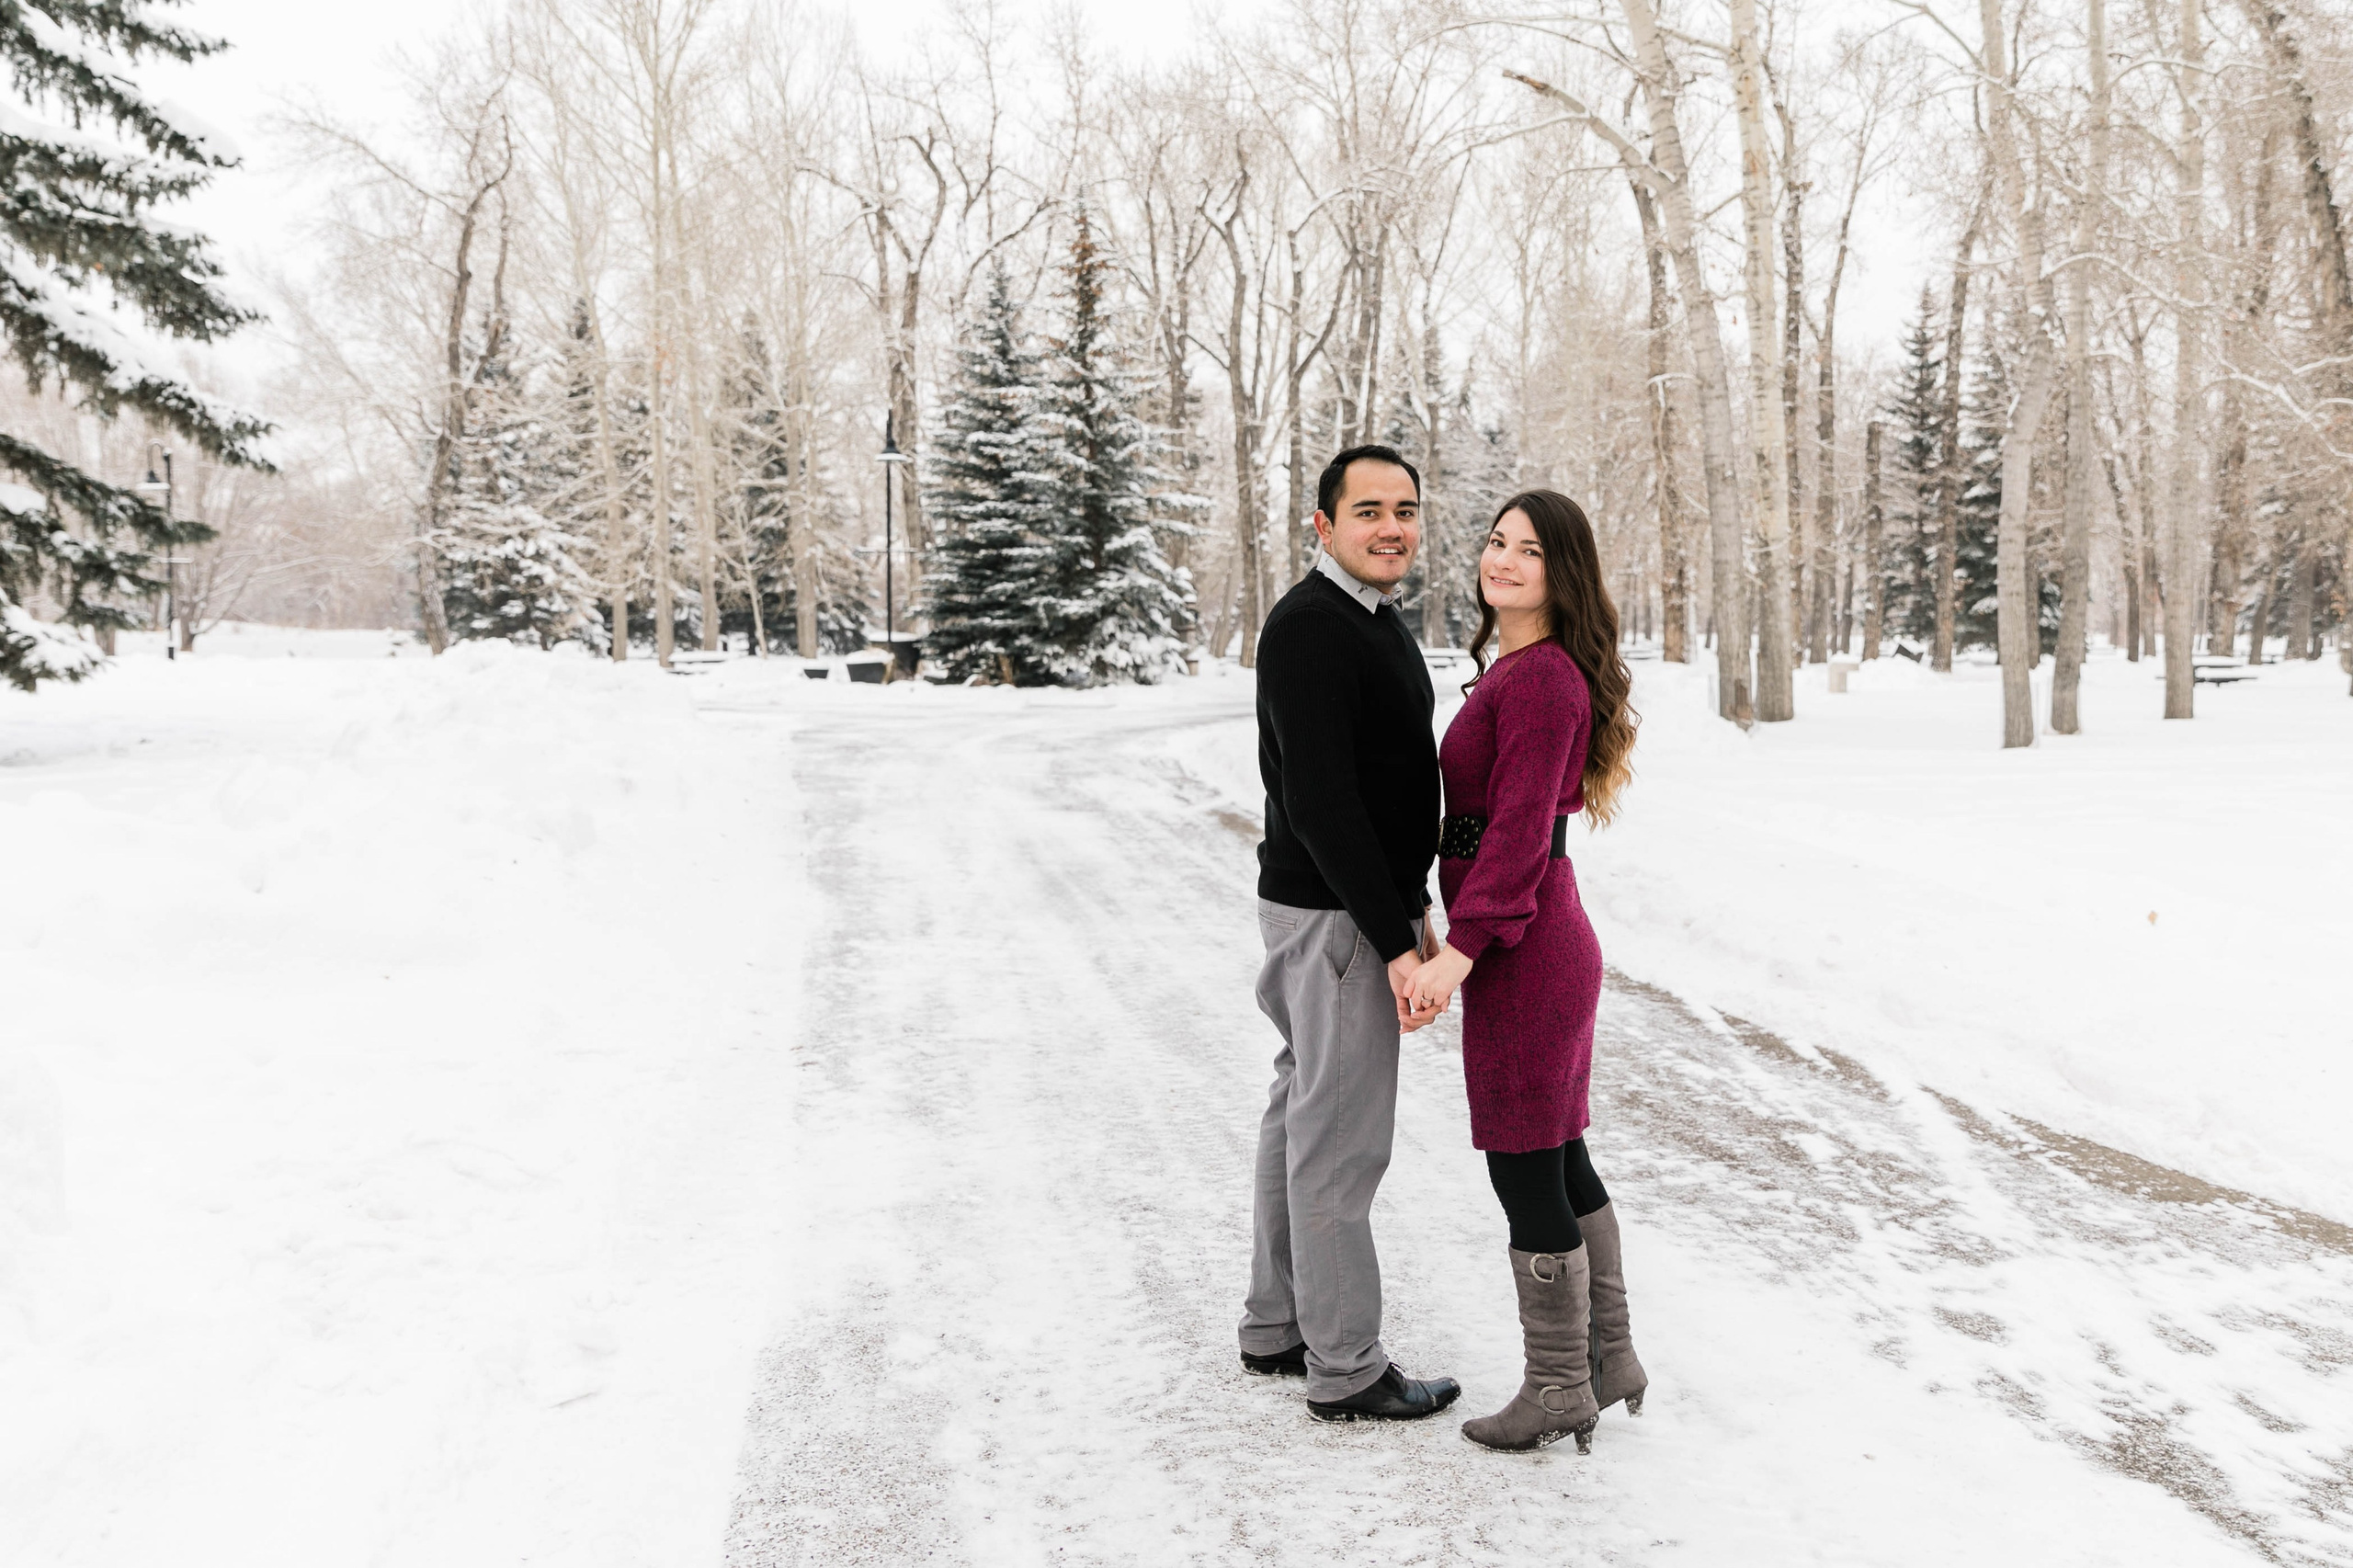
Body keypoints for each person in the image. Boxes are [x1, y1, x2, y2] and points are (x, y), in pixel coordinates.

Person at [1404, 490, 1647, 1454]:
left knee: (1522, 1160)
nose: (1501, 559)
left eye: (1530, 550)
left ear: (1563, 571)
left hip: (1525, 946)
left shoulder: (1542, 678)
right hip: (1536, 937)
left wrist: (1458, 954)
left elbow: (1513, 831)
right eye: (1496, 541)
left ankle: (1556, 1387)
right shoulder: (1518, 668)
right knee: (1555, 1151)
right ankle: (1607, 1357)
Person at [1239, 444, 1461, 1424]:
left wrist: (1414, 903)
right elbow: (1324, 805)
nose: (1391, 527)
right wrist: (1397, 940)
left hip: (1342, 908)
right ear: (1323, 524)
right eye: (1367, 510)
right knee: (1339, 1140)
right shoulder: (1311, 627)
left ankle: (1278, 1323)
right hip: (1336, 917)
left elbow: (1385, 783)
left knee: (1303, 1112)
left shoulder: (1368, 616)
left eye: (1404, 509)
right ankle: (1346, 1365)